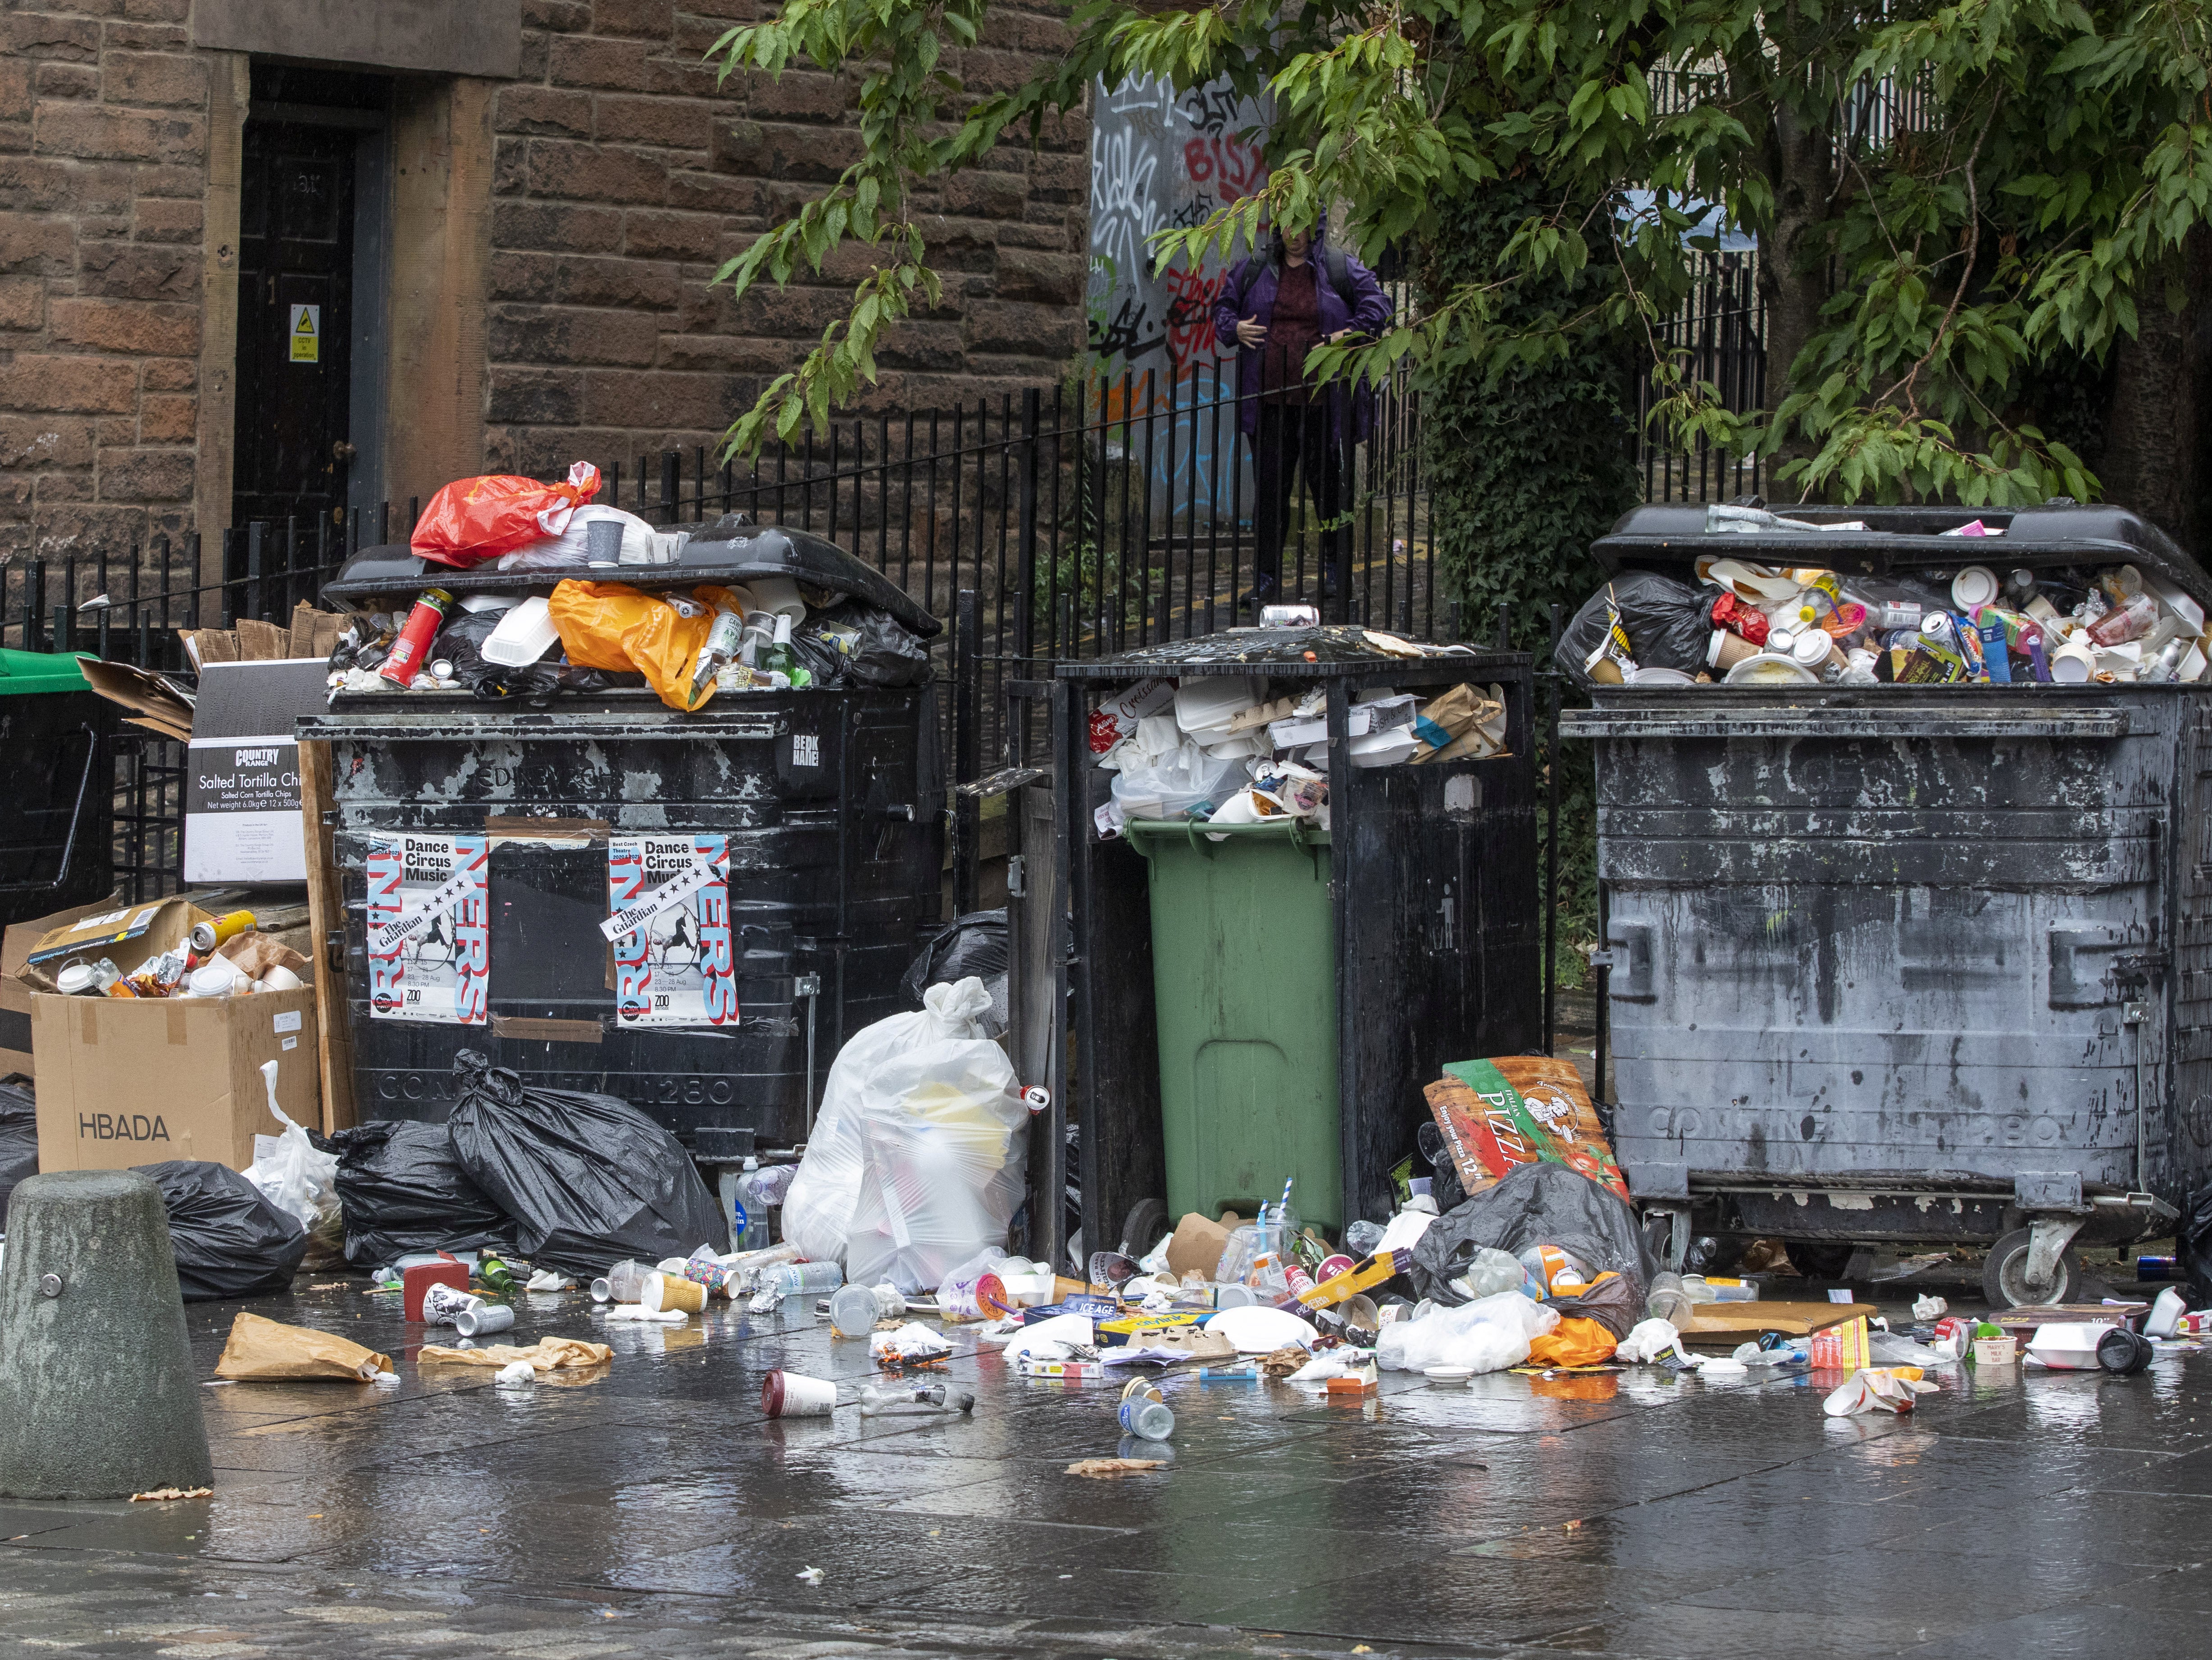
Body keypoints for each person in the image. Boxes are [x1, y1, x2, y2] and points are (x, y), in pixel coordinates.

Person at [1213, 219, 1393, 610]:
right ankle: (1266, 580)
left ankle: (1334, 574)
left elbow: (1379, 306)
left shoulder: (1338, 267)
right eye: (1288, 225)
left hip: (1324, 405)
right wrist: (1235, 328)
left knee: (1329, 492)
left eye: (1303, 225)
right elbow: (1222, 309)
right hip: (1270, 403)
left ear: (1316, 226)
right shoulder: (1256, 269)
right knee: (1270, 494)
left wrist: (1348, 334)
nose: (1295, 234)